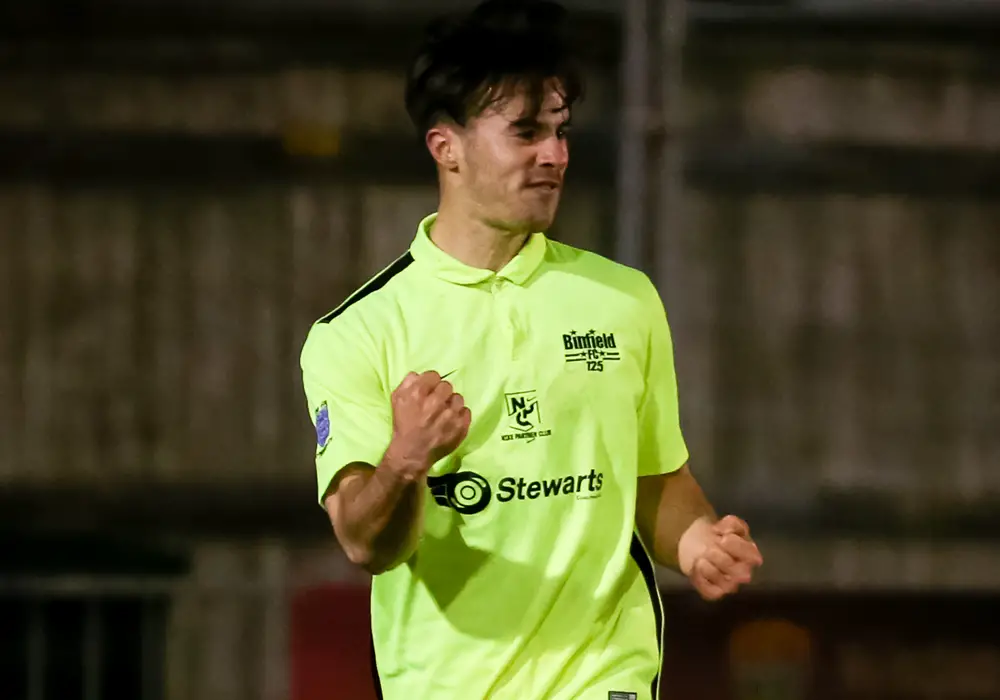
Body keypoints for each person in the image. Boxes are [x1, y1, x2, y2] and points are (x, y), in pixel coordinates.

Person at [299, 1, 763, 698]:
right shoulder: (358, 333)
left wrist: (693, 538)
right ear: (444, 147)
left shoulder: (623, 300)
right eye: (525, 132)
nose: (555, 154)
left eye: (560, 130)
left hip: (606, 676)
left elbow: (651, 477)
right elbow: (367, 543)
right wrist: (405, 460)